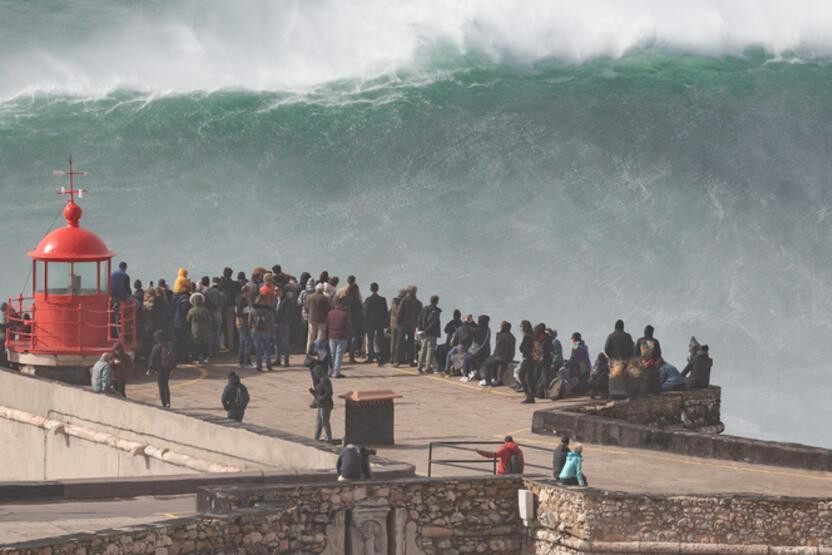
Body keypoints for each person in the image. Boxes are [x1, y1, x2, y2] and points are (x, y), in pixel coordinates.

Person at [605, 319, 634, 400]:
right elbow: (632, 349)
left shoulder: (611, 336)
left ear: (615, 327)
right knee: (624, 378)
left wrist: (611, 356)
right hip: (625, 361)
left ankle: (612, 394)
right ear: (623, 327)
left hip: (614, 361)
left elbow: (606, 348)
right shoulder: (628, 336)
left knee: (613, 378)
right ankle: (624, 394)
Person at [481, 321, 515, 387]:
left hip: (502, 358)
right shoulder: (512, 337)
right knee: (493, 361)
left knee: (487, 364)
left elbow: (498, 349)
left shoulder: (501, 336)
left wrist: (493, 356)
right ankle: (495, 379)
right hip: (509, 357)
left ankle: (488, 381)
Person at [394, 286, 422, 367]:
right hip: (412, 325)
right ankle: (411, 361)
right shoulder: (418, 303)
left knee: (400, 343)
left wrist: (397, 323)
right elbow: (419, 316)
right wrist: (417, 325)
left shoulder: (404, 300)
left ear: (408, 292)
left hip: (402, 325)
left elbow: (399, 312)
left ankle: (398, 361)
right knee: (411, 343)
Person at [326, 294, 352, 378]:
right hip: (342, 336)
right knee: (339, 355)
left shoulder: (330, 313)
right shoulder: (345, 314)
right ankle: (336, 372)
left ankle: (329, 371)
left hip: (332, 336)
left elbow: (327, 324)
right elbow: (348, 325)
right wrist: (349, 334)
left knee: (332, 354)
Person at [363, 282, 389, 365]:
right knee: (380, 339)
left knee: (370, 340)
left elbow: (366, 312)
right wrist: (385, 322)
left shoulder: (368, 300)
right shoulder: (382, 299)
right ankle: (382, 357)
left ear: (371, 289)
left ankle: (371, 356)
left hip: (370, 322)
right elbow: (386, 312)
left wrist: (365, 322)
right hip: (380, 322)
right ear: (378, 289)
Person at [149, 330, 175, 407]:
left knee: (161, 386)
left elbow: (152, 359)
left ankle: (164, 403)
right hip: (167, 369)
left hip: (159, 370)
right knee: (166, 385)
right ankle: (168, 402)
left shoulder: (156, 347)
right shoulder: (169, 346)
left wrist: (150, 368)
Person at [249, 294, 275, 372]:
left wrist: (251, 328)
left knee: (258, 349)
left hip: (255, 330)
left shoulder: (253, 309)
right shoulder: (269, 310)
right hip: (266, 331)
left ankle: (259, 366)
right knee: (267, 349)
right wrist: (272, 332)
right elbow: (272, 322)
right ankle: (268, 365)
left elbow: (249, 321)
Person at [416, 295, 442, 373]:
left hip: (423, 332)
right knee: (430, 350)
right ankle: (427, 367)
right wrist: (427, 330)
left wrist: (420, 329)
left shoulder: (424, 309)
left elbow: (419, 319)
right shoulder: (436, 311)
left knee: (423, 349)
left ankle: (419, 366)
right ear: (437, 301)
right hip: (431, 333)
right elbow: (433, 323)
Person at [186, 292, 213, 364]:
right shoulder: (205, 310)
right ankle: (205, 358)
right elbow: (210, 320)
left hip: (194, 329)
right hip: (205, 328)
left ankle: (196, 359)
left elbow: (188, 320)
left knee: (195, 344)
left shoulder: (191, 310)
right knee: (205, 344)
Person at [462, 315, 491, 381]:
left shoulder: (479, 330)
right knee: (469, 355)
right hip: (485, 351)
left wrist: (465, 322)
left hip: (480, 352)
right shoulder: (487, 329)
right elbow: (477, 327)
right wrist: (471, 322)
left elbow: (468, 330)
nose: (477, 321)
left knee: (466, 358)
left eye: (479, 320)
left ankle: (465, 376)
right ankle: (473, 371)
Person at [219, 267, 241, 353]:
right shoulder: (235, 284)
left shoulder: (223, 283)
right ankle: (235, 345)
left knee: (227, 328)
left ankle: (228, 346)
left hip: (226, 307)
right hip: (234, 306)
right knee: (234, 327)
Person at [310, 365, 334, 442]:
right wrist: (314, 393)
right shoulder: (320, 380)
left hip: (325, 405)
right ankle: (316, 438)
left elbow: (329, 392)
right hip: (321, 404)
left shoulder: (325, 380)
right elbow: (319, 394)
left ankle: (328, 438)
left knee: (324, 422)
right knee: (319, 423)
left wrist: (321, 398)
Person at [343, 281, 365, 364]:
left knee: (346, 338)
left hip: (345, 320)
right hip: (354, 321)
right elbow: (360, 311)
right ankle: (351, 355)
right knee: (354, 338)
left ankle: (344, 353)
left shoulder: (345, 298)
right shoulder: (356, 300)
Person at [307, 283, 330, 351]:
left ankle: (309, 351)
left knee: (310, 337)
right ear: (322, 290)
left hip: (311, 319)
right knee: (320, 338)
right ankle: (319, 353)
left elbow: (306, 307)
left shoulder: (309, 297)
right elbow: (328, 309)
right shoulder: (324, 298)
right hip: (322, 320)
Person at [517, 320, 537, 403]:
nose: (520, 328)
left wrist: (522, 349)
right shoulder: (532, 336)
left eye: (521, 326)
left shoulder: (526, 337)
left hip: (527, 359)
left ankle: (528, 396)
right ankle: (531, 396)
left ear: (524, 328)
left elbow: (523, 348)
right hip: (533, 360)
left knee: (521, 375)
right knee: (530, 378)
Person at [236, 283, 254, 368]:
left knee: (243, 342)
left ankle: (242, 361)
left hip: (244, 322)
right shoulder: (241, 300)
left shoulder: (243, 299)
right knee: (247, 342)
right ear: (245, 291)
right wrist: (247, 311)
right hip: (243, 322)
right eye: (249, 291)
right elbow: (239, 312)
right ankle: (246, 361)